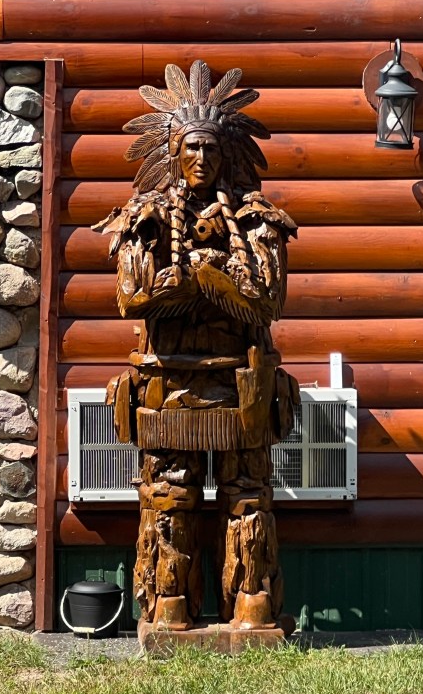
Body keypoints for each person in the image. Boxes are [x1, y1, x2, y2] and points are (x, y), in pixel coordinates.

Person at [94, 60, 297, 634]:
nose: (202, 158)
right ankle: (170, 601)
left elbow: (268, 303)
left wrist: (208, 280)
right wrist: (203, 285)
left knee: (247, 495)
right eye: (191, 147)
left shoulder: (256, 223)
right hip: (168, 381)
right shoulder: (147, 220)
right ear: (172, 151)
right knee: (169, 495)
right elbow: (132, 297)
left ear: (227, 153)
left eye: (211, 147)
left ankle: (251, 601)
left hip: (241, 381)